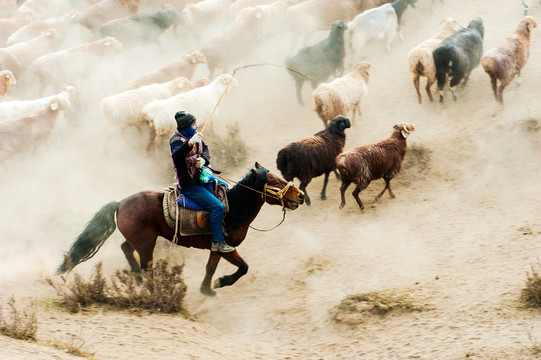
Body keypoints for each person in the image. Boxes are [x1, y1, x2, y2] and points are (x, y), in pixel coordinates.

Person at [169, 110, 235, 253]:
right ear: (186, 126)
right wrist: (190, 144)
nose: (196, 126)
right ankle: (217, 242)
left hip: (201, 175)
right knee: (217, 207)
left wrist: (204, 159)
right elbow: (177, 156)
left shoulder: (194, 135)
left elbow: (205, 149)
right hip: (190, 184)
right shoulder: (176, 141)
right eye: (193, 124)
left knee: (225, 186)